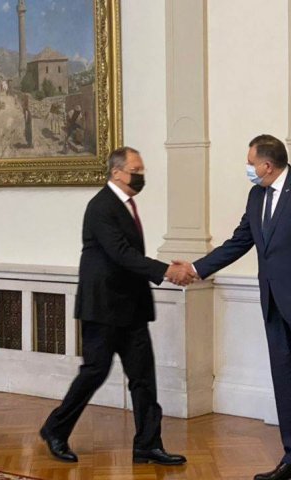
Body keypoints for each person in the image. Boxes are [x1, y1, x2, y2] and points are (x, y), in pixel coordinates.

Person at [179, 134, 291, 480]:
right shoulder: (257, 195)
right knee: (285, 385)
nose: (248, 168)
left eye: (250, 163)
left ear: (267, 165)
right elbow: (240, 241)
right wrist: (195, 269)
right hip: (274, 306)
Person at [40, 147, 195, 465]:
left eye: (142, 171)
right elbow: (121, 253)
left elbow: (128, 257)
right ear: (116, 172)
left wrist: (165, 270)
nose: (141, 176)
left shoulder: (125, 205)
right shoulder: (101, 206)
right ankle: (55, 429)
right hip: (104, 308)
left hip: (131, 308)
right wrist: (167, 271)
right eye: (136, 171)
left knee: (143, 378)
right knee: (94, 372)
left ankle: (148, 445)